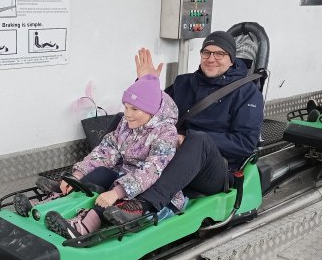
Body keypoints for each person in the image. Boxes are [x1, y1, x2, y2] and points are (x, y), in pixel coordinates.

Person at [102, 31, 264, 225]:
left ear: (231, 59)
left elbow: (245, 143)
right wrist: (146, 83)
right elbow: (151, 111)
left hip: (214, 169)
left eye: (220, 54)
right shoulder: (184, 83)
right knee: (125, 119)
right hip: (170, 155)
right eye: (206, 52)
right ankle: (97, 175)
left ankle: (144, 204)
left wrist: (186, 139)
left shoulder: (247, 93)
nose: (211, 58)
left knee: (198, 140)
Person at [13, 69, 184, 239]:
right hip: (124, 177)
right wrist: (77, 176)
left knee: (112, 196)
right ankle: (51, 204)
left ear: (151, 111)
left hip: (151, 189)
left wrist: (117, 192)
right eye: (126, 107)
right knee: (101, 173)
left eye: (134, 109)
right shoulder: (126, 124)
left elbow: (151, 171)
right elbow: (104, 153)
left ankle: (84, 226)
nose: (127, 114)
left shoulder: (166, 133)